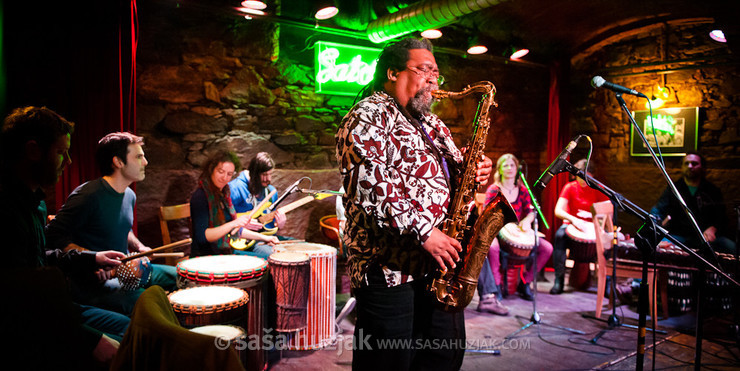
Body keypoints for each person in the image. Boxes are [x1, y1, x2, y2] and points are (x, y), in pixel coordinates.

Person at [336, 37, 493, 370]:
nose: (433, 80)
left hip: (436, 269)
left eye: (436, 72)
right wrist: (425, 232)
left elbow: (454, 173)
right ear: (392, 72)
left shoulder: (431, 123)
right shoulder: (367, 116)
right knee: (388, 362)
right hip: (389, 272)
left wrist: (473, 168)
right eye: (424, 70)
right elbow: (370, 186)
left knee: (443, 356)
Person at [0, 106, 128, 368]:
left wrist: (92, 258)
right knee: (124, 349)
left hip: (54, 305)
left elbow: (40, 259)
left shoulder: (36, 202)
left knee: (130, 330)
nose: (68, 161)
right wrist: (89, 340)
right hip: (32, 321)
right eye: (61, 152)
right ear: (33, 150)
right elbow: (14, 298)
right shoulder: (5, 210)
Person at [46, 132, 177, 315]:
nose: (145, 162)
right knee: (154, 305)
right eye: (139, 157)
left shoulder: (129, 195)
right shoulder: (88, 194)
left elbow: (124, 227)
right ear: (118, 162)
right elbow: (53, 237)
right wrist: (94, 259)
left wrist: (140, 247)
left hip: (125, 271)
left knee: (182, 276)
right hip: (95, 284)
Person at [479, 154, 553, 306]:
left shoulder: (523, 190)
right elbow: (486, 214)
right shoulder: (494, 189)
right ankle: (496, 286)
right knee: (492, 248)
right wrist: (504, 226)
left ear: (517, 168)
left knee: (546, 248)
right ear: (499, 169)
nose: (509, 168)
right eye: (505, 165)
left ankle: (525, 282)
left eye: (512, 165)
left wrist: (527, 220)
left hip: (517, 232)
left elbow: (532, 211)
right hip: (498, 231)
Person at [190, 149, 279, 257]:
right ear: (211, 169)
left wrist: (265, 238)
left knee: (271, 258)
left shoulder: (224, 194)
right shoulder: (200, 196)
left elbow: (234, 231)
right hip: (206, 257)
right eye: (220, 171)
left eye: (229, 174)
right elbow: (203, 237)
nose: (224, 177)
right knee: (265, 261)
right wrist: (234, 223)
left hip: (224, 251)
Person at [650, 152, 736, 254]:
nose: (690, 166)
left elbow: (721, 216)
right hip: (679, 235)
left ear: (702, 167)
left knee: (731, 247)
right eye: (686, 163)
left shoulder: (712, 190)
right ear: (682, 167)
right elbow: (659, 210)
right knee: (658, 244)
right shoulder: (673, 188)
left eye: (694, 163)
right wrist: (655, 223)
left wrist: (713, 228)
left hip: (704, 237)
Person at [550, 159, 609, 295]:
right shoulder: (570, 187)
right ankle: (558, 280)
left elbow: (606, 213)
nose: (582, 179)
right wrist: (574, 220)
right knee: (559, 236)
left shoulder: (599, 189)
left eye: (586, 175)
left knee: (609, 243)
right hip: (572, 224)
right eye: (580, 176)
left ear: (592, 175)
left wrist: (598, 227)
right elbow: (558, 210)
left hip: (594, 226)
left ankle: (606, 284)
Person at [228, 151, 287, 258]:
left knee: (299, 247)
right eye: (264, 175)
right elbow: (224, 220)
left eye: (270, 174)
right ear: (254, 173)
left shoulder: (271, 192)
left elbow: (269, 227)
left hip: (265, 238)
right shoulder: (235, 188)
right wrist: (238, 223)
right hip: (242, 240)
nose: (268, 179)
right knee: (278, 256)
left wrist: (279, 225)